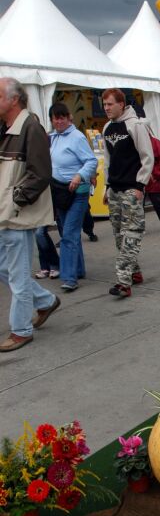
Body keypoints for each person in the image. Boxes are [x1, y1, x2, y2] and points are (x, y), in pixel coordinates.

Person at [0, 77, 61, 352]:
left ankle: (21, 330)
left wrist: (14, 201)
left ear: (14, 99)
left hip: (16, 216)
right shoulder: (8, 127)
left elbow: (40, 174)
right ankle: (46, 301)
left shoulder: (30, 127)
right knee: (11, 272)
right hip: (5, 213)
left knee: (18, 274)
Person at [102, 88, 154, 298]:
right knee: (118, 236)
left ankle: (123, 283)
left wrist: (140, 186)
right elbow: (108, 161)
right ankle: (135, 272)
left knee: (131, 234)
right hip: (114, 190)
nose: (107, 108)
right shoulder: (107, 127)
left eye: (110, 104)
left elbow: (147, 157)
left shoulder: (136, 126)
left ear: (121, 104)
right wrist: (107, 186)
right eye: (104, 105)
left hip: (132, 190)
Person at [48, 102, 98, 292]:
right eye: (55, 118)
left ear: (69, 117)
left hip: (77, 193)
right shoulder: (52, 138)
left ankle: (69, 277)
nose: (59, 121)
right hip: (60, 192)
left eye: (62, 117)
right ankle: (77, 270)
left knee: (68, 234)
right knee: (70, 234)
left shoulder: (76, 137)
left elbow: (91, 160)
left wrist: (79, 176)